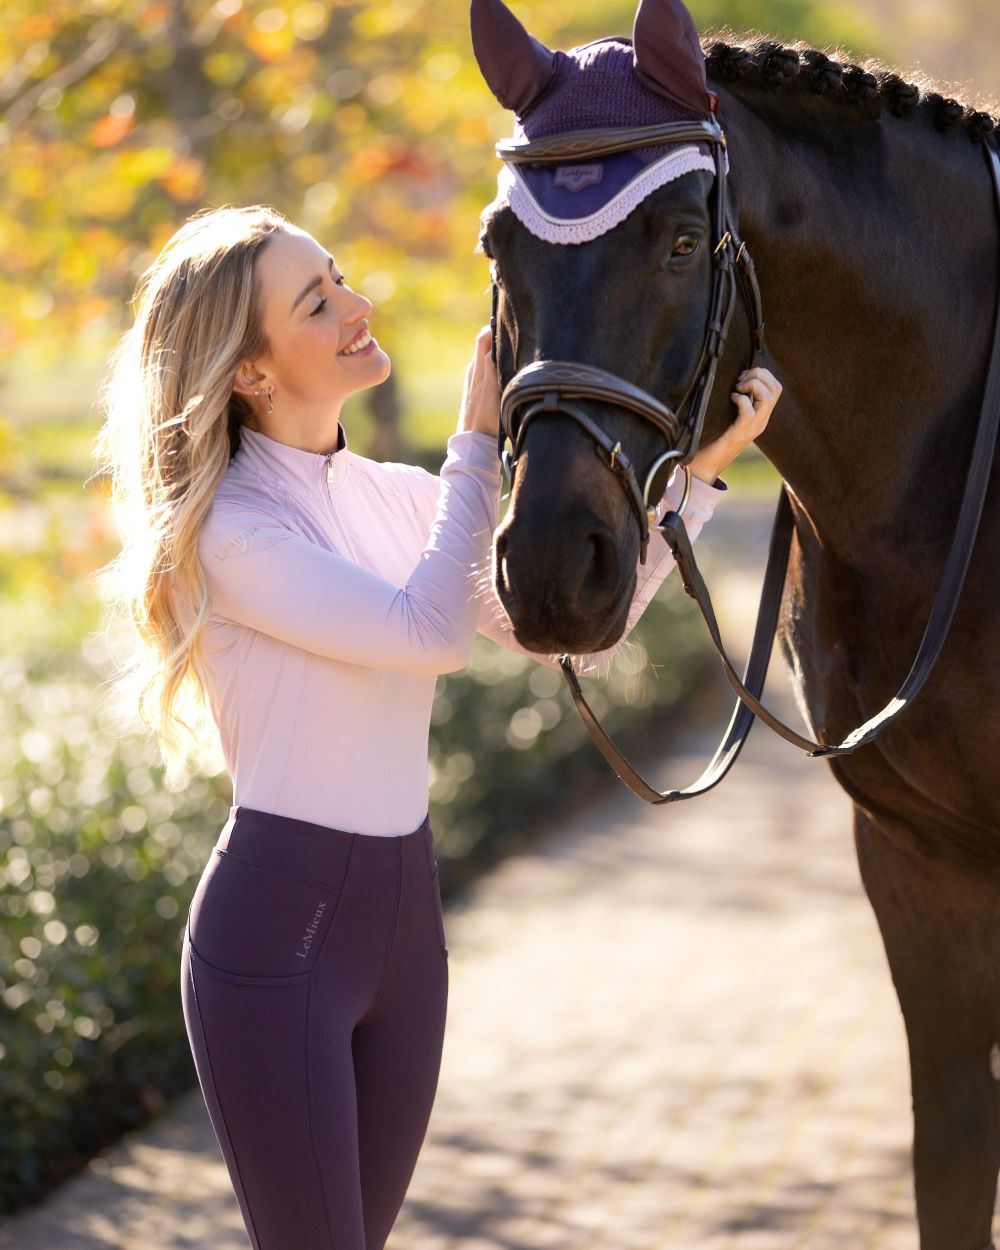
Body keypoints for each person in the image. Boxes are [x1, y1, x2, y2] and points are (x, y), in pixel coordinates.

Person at [92, 202, 781, 1250]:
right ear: (249, 371)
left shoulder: (393, 496)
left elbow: (569, 640)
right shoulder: (236, 528)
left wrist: (696, 475)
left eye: (340, 274)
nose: (357, 305)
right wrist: (476, 440)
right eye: (315, 302)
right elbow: (427, 632)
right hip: (280, 939)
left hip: (406, 927)